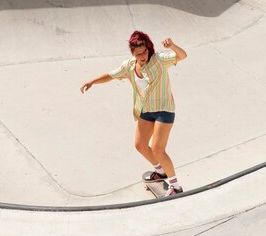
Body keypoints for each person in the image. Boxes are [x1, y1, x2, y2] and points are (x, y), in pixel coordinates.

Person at [80, 31, 187, 196]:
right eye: (138, 54)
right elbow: (110, 75)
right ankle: (160, 172)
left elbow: (182, 55)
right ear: (133, 54)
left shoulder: (158, 59)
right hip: (146, 110)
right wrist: (91, 82)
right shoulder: (129, 66)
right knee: (140, 145)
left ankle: (176, 186)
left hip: (164, 110)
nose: (143, 56)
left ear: (148, 48)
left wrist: (172, 46)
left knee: (158, 149)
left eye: (144, 52)